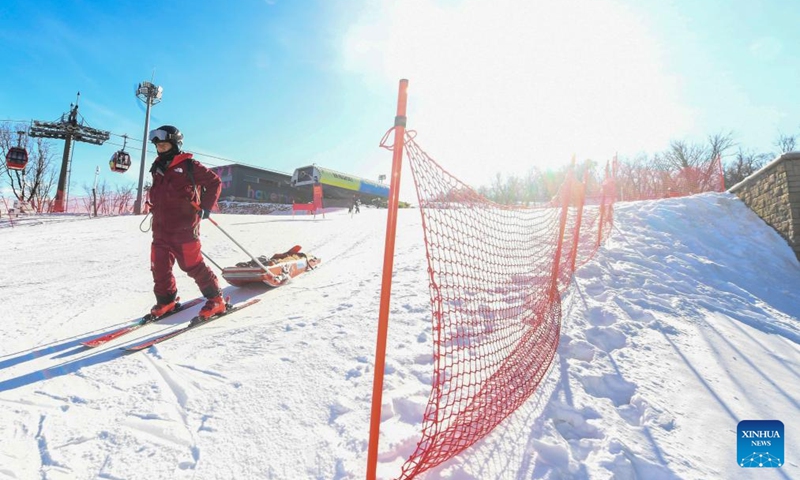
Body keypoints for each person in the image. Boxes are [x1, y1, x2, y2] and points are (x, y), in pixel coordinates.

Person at [146, 125, 225, 320]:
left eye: (164, 146)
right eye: (159, 147)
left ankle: (216, 300)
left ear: (174, 145)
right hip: (160, 227)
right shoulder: (157, 167)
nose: (161, 150)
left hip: (184, 225)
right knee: (159, 266)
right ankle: (166, 300)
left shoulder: (189, 165)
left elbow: (214, 182)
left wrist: (206, 206)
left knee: (192, 264)